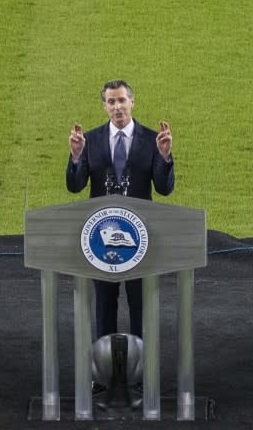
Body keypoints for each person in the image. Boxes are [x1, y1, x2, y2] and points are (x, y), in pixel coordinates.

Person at [66, 79, 174, 339]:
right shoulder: (89, 140)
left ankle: (140, 372)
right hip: (100, 238)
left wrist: (164, 156)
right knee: (104, 304)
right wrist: (77, 156)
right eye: (111, 101)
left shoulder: (152, 140)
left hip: (140, 237)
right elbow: (75, 186)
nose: (117, 107)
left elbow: (164, 189)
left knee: (140, 304)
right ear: (104, 106)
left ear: (132, 102)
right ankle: (103, 374)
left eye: (122, 100)